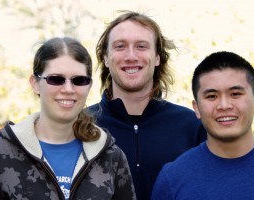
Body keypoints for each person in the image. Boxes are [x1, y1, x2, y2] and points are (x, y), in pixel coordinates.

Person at [0, 37, 136, 200]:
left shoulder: (111, 156)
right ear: (35, 83)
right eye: (56, 79)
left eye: (79, 80)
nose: (68, 89)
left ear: (89, 86)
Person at [86, 11, 207, 200]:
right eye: (120, 46)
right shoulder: (81, 125)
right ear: (106, 58)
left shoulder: (192, 125)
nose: (131, 56)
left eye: (141, 46)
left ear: (158, 57)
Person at [151, 51, 254, 199]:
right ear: (196, 108)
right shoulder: (173, 179)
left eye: (235, 94)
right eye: (212, 96)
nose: (224, 105)